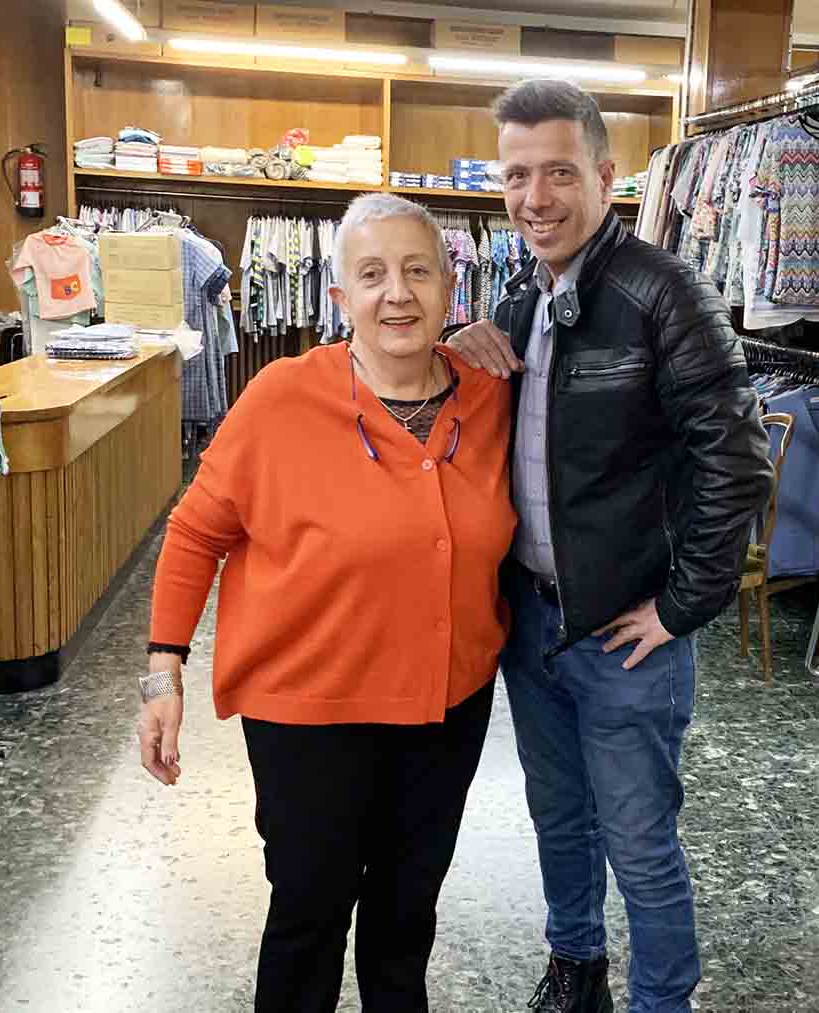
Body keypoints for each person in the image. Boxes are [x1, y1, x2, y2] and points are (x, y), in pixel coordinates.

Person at [137, 192, 516, 1012]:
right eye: (372, 274)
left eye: (419, 271)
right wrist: (162, 675)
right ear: (339, 298)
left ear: (453, 287)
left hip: (445, 707)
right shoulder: (281, 398)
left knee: (407, 912)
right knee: (309, 910)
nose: (398, 293)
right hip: (309, 711)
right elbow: (196, 532)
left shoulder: (490, 397)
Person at [447, 79, 775, 1013]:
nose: (535, 197)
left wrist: (680, 608)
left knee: (638, 838)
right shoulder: (523, 297)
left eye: (557, 172)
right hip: (536, 625)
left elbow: (739, 464)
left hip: (626, 633)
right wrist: (463, 347)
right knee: (558, 817)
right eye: (516, 176)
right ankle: (576, 968)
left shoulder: (663, 293)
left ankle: (661, 1000)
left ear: (604, 174)